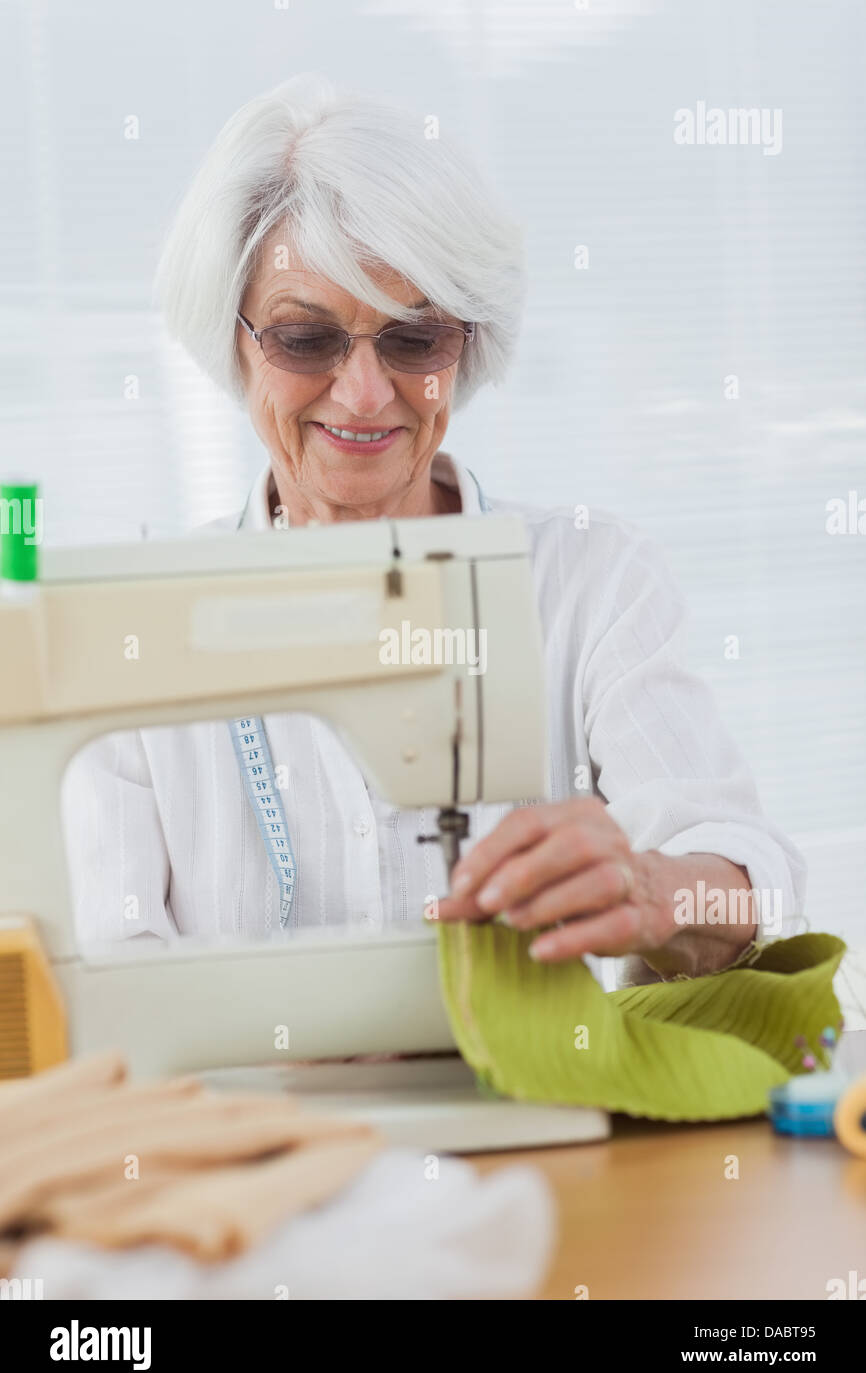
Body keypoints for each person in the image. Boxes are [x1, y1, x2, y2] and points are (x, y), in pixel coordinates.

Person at [62, 73, 805, 984]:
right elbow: (111, 979)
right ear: (233, 339)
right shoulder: (131, 630)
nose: (366, 393)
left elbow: (739, 883)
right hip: (264, 1127)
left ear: (466, 349)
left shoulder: (592, 581)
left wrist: (657, 891)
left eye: (415, 340)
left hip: (548, 1117)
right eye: (306, 338)